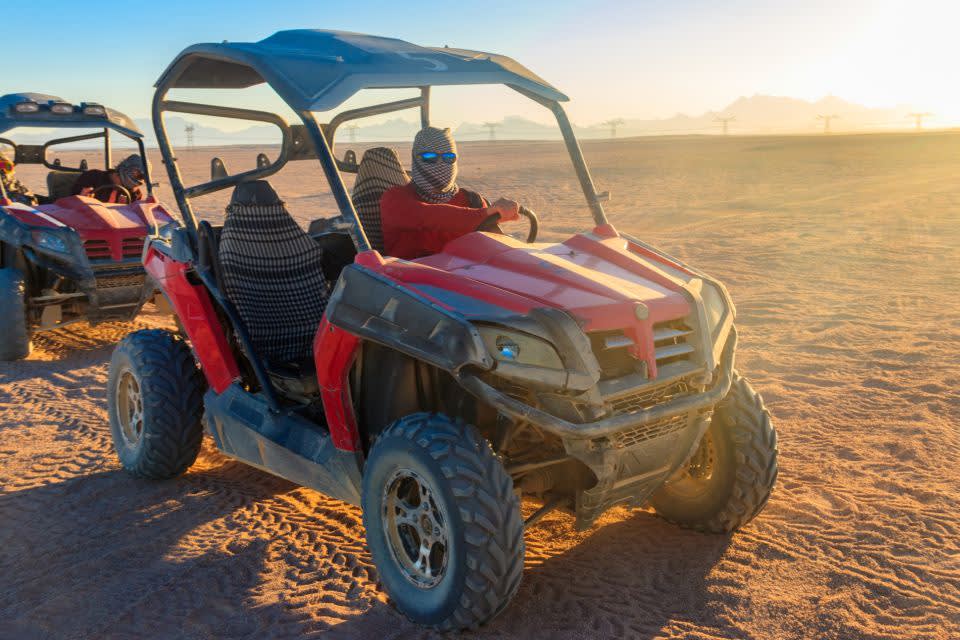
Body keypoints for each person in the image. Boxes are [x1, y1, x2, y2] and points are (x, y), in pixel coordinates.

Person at [379, 127, 521, 260]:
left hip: (464, 275)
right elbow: (428, 216)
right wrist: (484, 214)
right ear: (415, 159)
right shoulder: (395, 198)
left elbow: (493, 246)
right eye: (430, 157)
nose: (441, 163)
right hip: (405, 276)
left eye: (449, 157)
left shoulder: (473, 200)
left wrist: (500, 213)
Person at [72, 154, 146, 203]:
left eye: (143, 177)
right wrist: (82, 198)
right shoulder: (92, 177)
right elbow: (71, 205)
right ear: (127, 167)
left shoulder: (134, 193)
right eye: (138, 174)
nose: (140, 179)